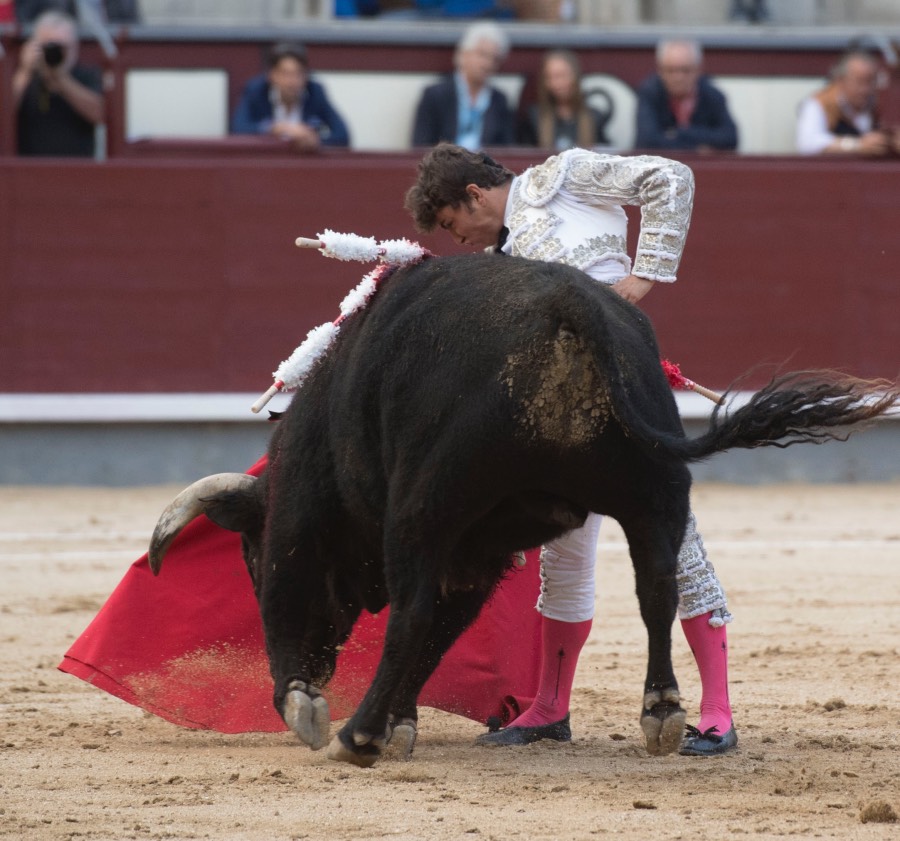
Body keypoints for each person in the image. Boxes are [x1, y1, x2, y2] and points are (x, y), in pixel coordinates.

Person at [404, 142, 738, 756]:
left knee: (675, 544)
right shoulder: (498, 262)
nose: (459, 240)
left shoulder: (563, 176)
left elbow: (669, 177)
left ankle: (718, 711)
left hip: (623, 385)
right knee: (561, 554)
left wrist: (644, 275)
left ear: (474, 195)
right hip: (553, 415)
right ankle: (551, 708)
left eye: (454, 224)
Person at [13, 9, 104, 157]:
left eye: (62, 48)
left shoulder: (87, 75)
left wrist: (62, 80)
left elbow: (102, 115)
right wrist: (24, 73)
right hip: (27, 171)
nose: (55, 54)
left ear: (75, 47)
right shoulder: (23, 76)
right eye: (49, 47)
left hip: (78, 172)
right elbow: (4, 114)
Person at [411, 21, 514, 150]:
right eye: (482, 55)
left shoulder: (499, 101)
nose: (487, 64)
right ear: (463, 54)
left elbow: (506, 151)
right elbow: (420, 148)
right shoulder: (435, 95)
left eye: (495, 59)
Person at [231, 41, 350, 151]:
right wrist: (276, 128)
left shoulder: (315, 92)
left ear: (306, 76)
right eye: (285, 74)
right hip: (265, 163)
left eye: (297, 74)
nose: (291, 81)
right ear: (272, 75)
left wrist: (316, 141)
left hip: (303, 166)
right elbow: (238, 128)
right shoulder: (256, 91)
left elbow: (342, 135)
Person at [635, 38, 738, 152]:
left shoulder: (712, 94)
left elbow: (730, 138)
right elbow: (646, 141)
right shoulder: (649, 93)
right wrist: (698, 148)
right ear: (660, 70)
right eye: (671, 70)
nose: (678, 78)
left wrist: (679, 133)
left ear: (698, 69)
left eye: (685, 70)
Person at [795, 49, 900, 156]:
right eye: (859, 82)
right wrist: (856, 145)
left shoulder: (879, 104)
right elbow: (807, 144)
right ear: (840, 80)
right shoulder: (818, 103)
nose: (865, 90)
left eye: (870, 82)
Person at [517, 48, 609, 150]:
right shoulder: (534, 117)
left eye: (561, 76)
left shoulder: (594, 117)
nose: (556, 84)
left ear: (575, 76)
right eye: (549, 77)